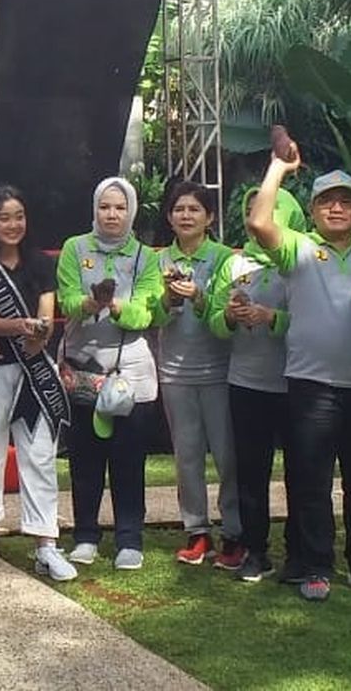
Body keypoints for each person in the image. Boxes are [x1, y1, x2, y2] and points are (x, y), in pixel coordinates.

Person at [248, 154, 351, 602]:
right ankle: (317, 565)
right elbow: (260, 222)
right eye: (326, 201)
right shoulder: (299, 249)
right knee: (312, 482)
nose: (336, 209)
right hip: (310, 385)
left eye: (345, 202)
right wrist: (278, 168)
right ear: (314, 208)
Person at [0, 186, 77, 582]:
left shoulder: (41, 263)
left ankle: (46, 542)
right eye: (4, 217)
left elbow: (48, 312)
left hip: (33, 371)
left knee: (40, 456)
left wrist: (39, 332)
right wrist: (21, 326)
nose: (13, 224)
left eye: (19, 216)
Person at [56, 177, 161, 571]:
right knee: (84, 460)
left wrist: (115, 307)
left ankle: (129, 539)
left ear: (131, 211)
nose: (112, 214)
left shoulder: (144, 257)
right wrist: (88, 302)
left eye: (119, 207)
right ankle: (84, 535)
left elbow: (146, 313)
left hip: (130, 371)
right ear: (95, 209)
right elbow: (67, 301)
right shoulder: (74, 248)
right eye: (105, 206)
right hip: (82, 373)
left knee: (128, 459)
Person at [207, 187, 303, 582]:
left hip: (297, 382)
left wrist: (272, 317)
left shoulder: (303, 261)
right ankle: (254, 549)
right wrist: (229, 316)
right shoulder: (233, 263)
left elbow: (320, 322)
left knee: (303, 472)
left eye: (268, 210)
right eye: (250, 210)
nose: (257, 218)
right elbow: (213, 323)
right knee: (250, 471)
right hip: (246, 382)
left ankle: (301, 552)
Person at [152, 182, 241, 569]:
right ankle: (197, 531)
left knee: (228, 456)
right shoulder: (157, 261)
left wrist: (199, 297)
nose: (186, 216)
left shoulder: (224, 258)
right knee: (186, 455)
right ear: (169, 217)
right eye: (179, 209)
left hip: (220, 370)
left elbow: (224, 314)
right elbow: (151, 319)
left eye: (194, 209)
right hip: (173, 370)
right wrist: (169, 299)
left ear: (210, 217)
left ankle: (235, 532)